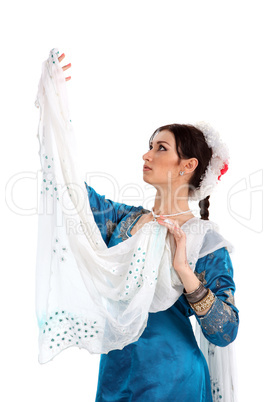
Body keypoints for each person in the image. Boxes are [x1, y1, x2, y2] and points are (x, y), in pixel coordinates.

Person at [56, 53, 239, 401]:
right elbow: (68, 188)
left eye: (160, 148)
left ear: (187, 165)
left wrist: (184, 270)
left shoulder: (206, 241)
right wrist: (55, 105)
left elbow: (225, 331)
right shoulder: (124, 220)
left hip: (173, 378)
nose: (147, 155)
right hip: (117, 374)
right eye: (149, 146)